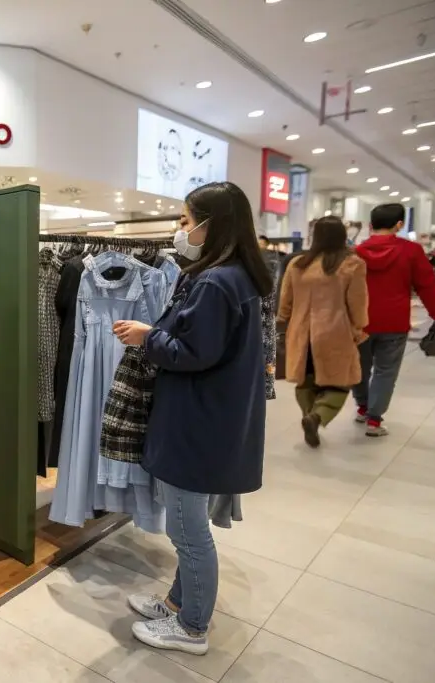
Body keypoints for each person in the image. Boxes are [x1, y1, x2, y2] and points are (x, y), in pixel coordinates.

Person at [113, 181, 272, 656]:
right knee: (188, 521)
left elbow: (194, 353)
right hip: (209, 417)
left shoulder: (216, 282)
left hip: (197, 423)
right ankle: (180, 603)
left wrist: (147, 337)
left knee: (187, 530)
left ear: (210, 224)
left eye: (185, 221)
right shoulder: (233, 276)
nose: (180, 230)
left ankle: (193, 626)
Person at [354, 203, 435, 436]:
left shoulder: (356, 251)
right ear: (400, 224)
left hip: (360, 320)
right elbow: (426, 285)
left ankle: (363, 407)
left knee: (361, 368)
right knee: (386, 370)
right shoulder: (411, 251)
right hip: (394, 322)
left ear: (370, 225)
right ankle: (374, 420)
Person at [277, 216, 368, 447]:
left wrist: (283, 326)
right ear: (342, 236)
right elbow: (357, 303)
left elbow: (284, 303)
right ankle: (317, 416)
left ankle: (310, 416)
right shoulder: (352, 264)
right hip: (335, 332)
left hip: (301, 333)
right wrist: (359, 327)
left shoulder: (297, 264)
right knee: (339, 383)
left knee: (305, 382)